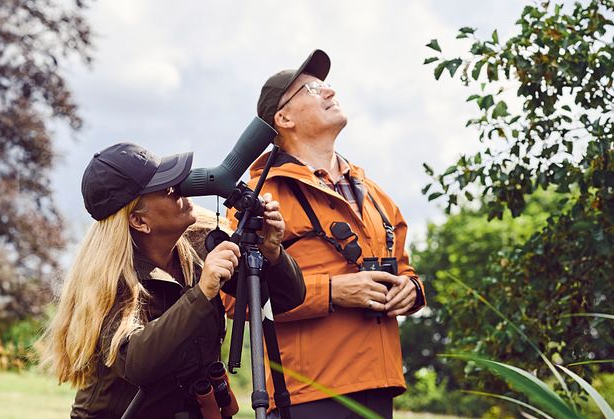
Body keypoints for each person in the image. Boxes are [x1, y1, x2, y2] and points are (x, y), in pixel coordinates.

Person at [37, 142, 306, 418]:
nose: (180, 188)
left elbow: (287, 299)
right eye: (167, 188)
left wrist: (272, 252)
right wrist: (202, 293)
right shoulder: (110, 280)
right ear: (139, 221)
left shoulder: (199, 245)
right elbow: (137, 363)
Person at [233, 50, 427, 419]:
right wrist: (334, 293)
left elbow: (405, 269)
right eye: (311, 89)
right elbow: (237, 301)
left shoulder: (374, 192)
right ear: (283, 117)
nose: (329, 91)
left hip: (380, 387)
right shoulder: (260, 197)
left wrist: (412, 291)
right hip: (308, 395)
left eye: (325, 85)